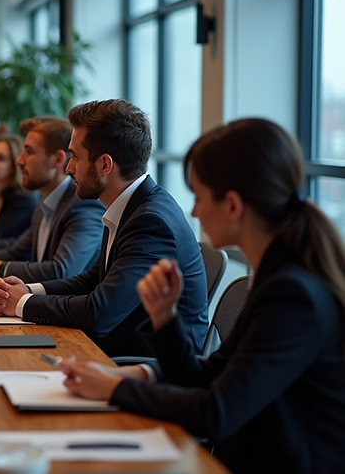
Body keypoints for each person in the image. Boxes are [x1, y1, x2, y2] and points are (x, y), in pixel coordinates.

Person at [61, 119, 345, 474]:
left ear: (233, 205)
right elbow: (208, 372)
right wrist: (163, 322)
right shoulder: (278, 277)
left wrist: (114, 389)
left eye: (198, 197)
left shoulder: (292, 295)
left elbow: (215, 412)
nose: (193, 212)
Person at [0, 99, 208, 358]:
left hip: (152, 364)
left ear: (105, 165)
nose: (69, 168)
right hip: (118, 350)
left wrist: (22, 303)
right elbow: (92, 280)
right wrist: (29, 290)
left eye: (75, 157)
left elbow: (99, 313)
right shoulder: (129, 205)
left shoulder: (150, 221)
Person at [0, 117, 105, 282]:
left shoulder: (84, 204)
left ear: (57, 160)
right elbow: (16, 253)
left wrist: (0, 268)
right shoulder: (44, 203)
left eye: (29, 152)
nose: (19, 160)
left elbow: (62, 271)